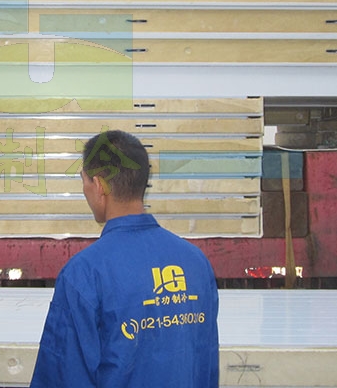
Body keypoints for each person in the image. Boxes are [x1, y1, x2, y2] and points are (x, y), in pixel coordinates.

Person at [29, 130, 219, 388]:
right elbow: (206, 365)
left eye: (84, 181)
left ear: (99, 186)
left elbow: (63, 376)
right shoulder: (196, 263)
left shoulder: (84, 274)